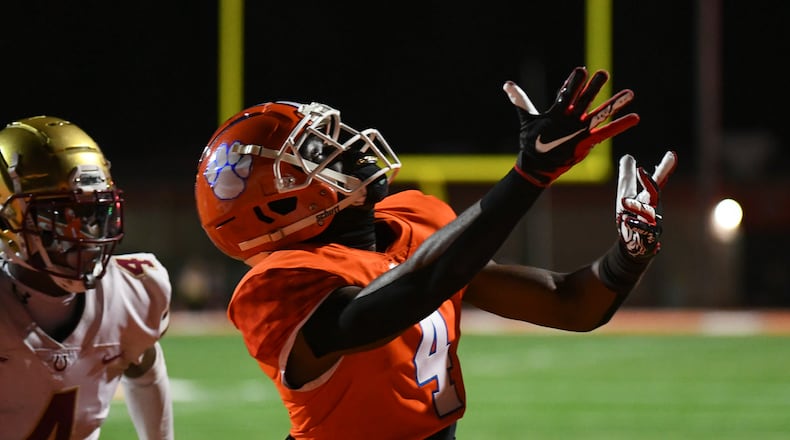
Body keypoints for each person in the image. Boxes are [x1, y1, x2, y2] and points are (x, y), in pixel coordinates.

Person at [194, 66, 677, 439]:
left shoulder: (413, 222)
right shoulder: (276, 285)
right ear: (274, 206)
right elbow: (412, 291)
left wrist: (630, 254)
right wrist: (529, 174)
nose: (348, 147)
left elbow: (568, 302)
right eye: (319, 152)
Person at [0, 116, 174, 439]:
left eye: (92, 215)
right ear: (9, 220)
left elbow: (146, 368)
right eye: (59, 219)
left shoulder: (132, 291)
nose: (85, 236)